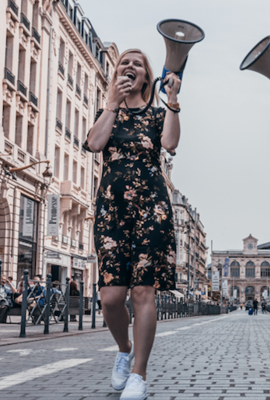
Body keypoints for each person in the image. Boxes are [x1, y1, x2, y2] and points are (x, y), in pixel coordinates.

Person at [83, 48, 179, 400]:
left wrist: (172, 99)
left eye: (137, 64)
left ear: (146, 76)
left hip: (151, 209)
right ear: (116, 73)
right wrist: (112, 103)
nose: (130, 67)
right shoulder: (106, 112)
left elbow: (169, 143)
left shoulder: (157, 114)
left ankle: (139, 374)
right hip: (112, 210)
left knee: (142, 291)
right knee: (110, 298)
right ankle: (124, 349)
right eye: (124, 63)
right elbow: (94, 143)